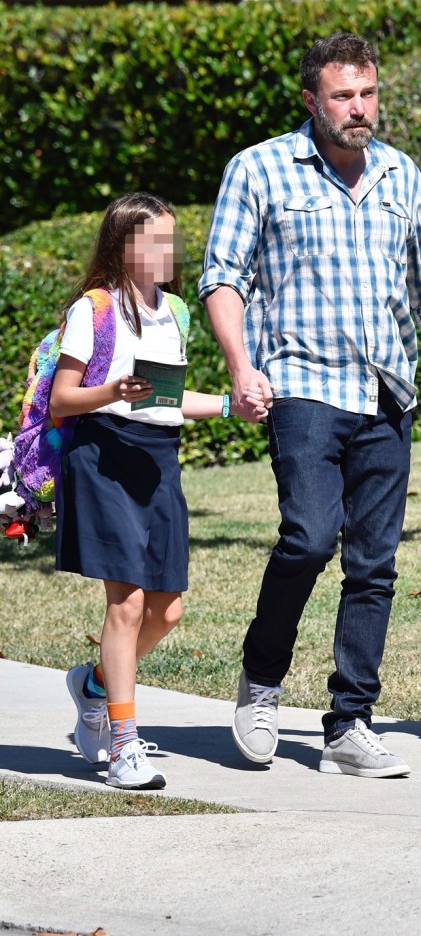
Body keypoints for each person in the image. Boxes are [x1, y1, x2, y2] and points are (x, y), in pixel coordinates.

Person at [198, 32, 421, 778]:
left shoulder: (401, 175)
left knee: (375, 563)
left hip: (385, 389)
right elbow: (221, 278)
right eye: (342, 96)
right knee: (309, 535)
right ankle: (261, 679)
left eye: (368, 94)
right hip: (301, 383)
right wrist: (239, 366)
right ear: (310, 101)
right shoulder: (259, 169)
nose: (359, 110)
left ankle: (349, 721)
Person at [52, 191, 266, 790]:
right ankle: (123, 745)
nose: (170, 250)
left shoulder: (175, 309)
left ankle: (94, 684)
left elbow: (167, 398)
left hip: (159, 462)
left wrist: (231, 405)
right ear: (124, 246)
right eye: (156, 240)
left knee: (166, 610)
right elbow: (63, 398)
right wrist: (112, 391)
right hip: (104, 456)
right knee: (123, 603)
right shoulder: (92, 309)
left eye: (173, 239)